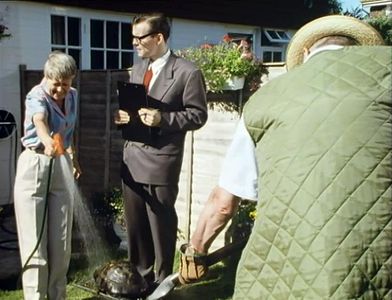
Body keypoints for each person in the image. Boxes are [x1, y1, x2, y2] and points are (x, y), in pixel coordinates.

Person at [179, 15, 391, 299]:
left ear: (305, 54)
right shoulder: (386, 71)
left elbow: (223, 204)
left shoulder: (266, 99)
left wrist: (195, 253)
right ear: (360, 50)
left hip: (281, 275)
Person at [113, 12, 208, 295]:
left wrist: (163, 120)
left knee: (160, 226)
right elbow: (136, 107)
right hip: (132, 158)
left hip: (160, 162)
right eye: (133, 37)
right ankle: (138, 281)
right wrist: (125, 117)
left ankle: (163, 281)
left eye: (139, 38)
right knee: (136, 227)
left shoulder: (188, 72)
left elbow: (198, 115)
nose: (134, 43)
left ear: (159, 38)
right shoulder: (137, 68)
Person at [14, 51, 81, 300]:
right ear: (47, 76)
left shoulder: (72, 96)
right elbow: (39, 120)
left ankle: (58, 297)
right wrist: (46, 140)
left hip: (61, 164)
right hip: (35, 165)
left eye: (66, 83)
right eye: (56, 84)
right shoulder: (36, 95)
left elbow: (69, 131)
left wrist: (73, 157)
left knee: (61, 244)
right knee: (35, 242)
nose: (61, 90)